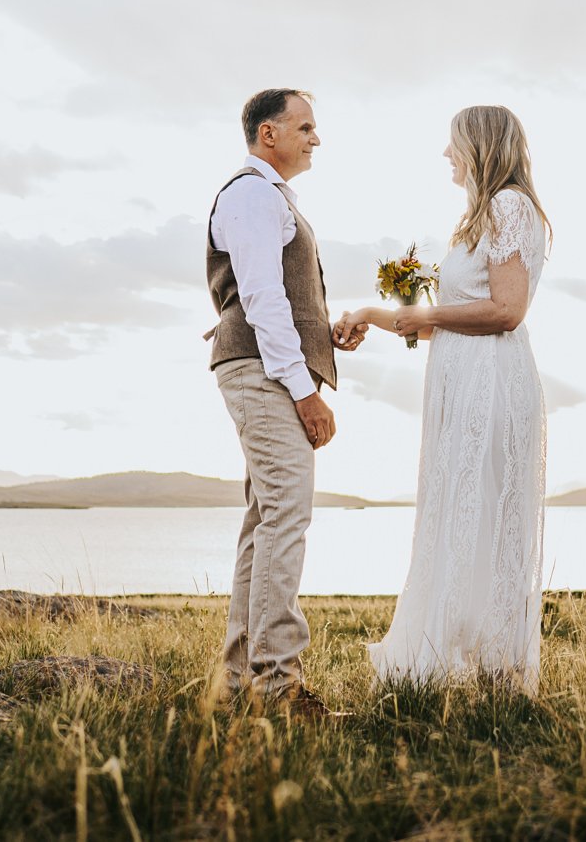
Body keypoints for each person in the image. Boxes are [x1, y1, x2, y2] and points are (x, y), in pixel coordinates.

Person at [334, 104, 551, 692]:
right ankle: (468, 666)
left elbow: (506, 311)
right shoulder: (479, 217)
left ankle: (499, 672)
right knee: (460, 512)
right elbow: (454, 319)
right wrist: (378, 315)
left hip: (493, 382)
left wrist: (424, 312)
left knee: (486, 516)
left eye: (454, 144)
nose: (447, 155)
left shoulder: (509, 206)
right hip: (462, 378)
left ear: (481, 147)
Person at [206, 87, 341, 721]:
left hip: (264, 367)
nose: (316, 138)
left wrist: (326, 334)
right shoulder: (252, 194)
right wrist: (306, 390)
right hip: (264, 373)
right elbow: (260, 301)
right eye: (306, 127)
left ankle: (237, 685)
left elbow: (277, 296)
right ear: (269, 134)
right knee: (287, 516)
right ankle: (277, 687)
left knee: (266, 523)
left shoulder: (268, 198)